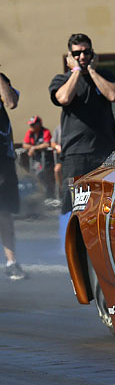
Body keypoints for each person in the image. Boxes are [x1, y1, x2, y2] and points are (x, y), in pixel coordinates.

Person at [49, 33, 115, 219]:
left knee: (106, 206)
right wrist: (75, 72)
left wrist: (92, 71)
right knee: (74, 208)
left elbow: (113, 95)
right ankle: (71, 238)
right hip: (75, 154)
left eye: (86, 52)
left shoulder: (105, 76)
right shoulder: (61, 79)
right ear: (70, 56)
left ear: (93, 53)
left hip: (106, 153)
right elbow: (64, 98)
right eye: (76, 53)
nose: (82, 57)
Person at [0, 71, 26, 280]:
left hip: (3, 158)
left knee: (4, 212)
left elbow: (11, 102)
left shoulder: (2, 81)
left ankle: (11, 262)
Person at [22, 115, 56, 200]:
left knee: (48, 178)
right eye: (30, 125)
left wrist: (34, 148)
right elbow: (24, 144)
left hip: (47, 160)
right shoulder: (30, 133)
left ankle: (50, 196)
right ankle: (41, 196)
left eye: (33, 125)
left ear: (39, 124)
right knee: (37, 176)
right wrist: (32, 148)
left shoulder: (45, 132)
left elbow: (47, 144)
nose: (31, 126)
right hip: (36, 160)